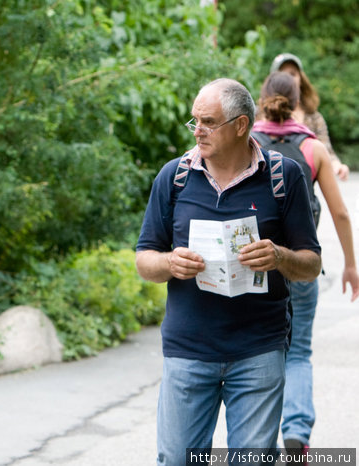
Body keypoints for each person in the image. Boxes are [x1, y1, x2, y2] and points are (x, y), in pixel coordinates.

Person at [135, 78, 322, 466]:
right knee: (176, 459)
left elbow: (311, 264)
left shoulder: (283, 177)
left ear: (240, 125)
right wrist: (170, 263)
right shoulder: (175, 177)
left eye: (207, 122)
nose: (197, 130)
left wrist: (279, 257)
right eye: (194, 121)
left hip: (259, 350)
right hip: (189, 350)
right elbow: (144, 260)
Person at [252, 71, 359, 460]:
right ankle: (296, 430)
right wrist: (350, 264)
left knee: (261, 352)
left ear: (262, 98)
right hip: (300, 264)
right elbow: (341, 212)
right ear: (298, 102)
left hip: (254, 267)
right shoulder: (313, 148)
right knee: (297, 352)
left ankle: (258, 437)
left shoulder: (246, 142)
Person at [270, 53, 350, 180]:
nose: (289, 79)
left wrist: (337, 166)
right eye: (283, 74)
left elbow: (326, 150)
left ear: (301, 79)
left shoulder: (314, 117)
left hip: (305, 189)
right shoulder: (260, 115)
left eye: (293, 74)